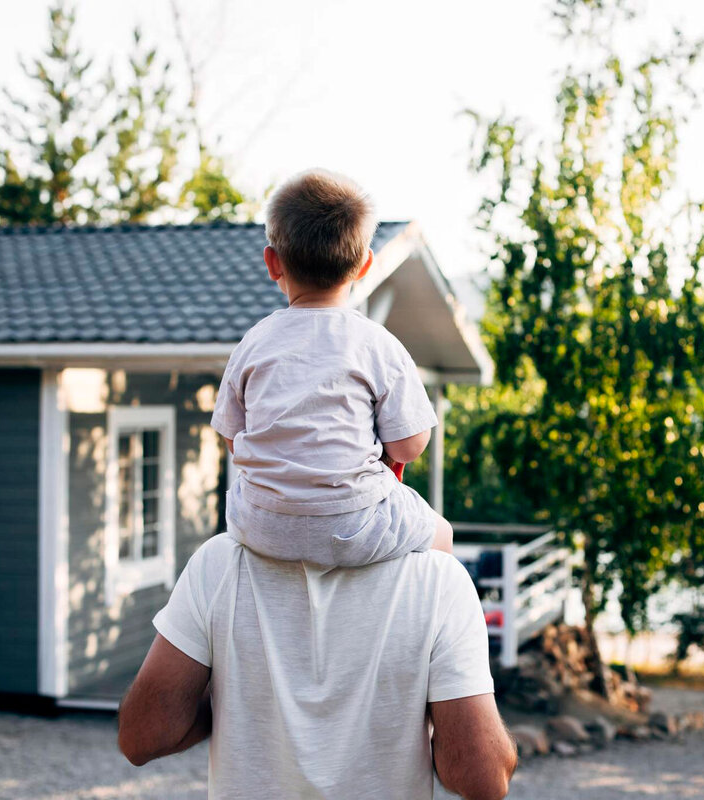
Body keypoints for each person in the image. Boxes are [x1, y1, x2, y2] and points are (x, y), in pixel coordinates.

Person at [117, 534, 517, 799]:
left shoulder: (219, 563)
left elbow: (141, 737)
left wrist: (234, 691)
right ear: (395, 462)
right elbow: (482, 776)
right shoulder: (437, 578)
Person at [210, 168, 452, 567]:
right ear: (364, 265)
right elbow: (410, 445)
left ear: (273, 263)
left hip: (260, 524)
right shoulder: (377, 343)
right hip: (354, 524)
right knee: (442, 533)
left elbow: (234, 438)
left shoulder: (252, 342)